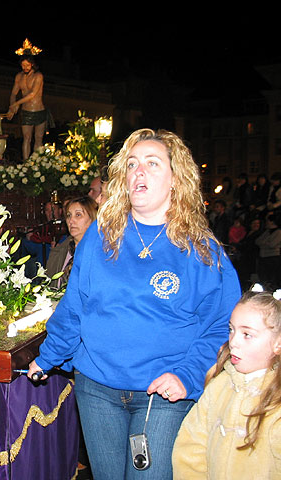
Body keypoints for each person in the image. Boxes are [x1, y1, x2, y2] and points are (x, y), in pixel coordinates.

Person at [27, 128, 241, 479]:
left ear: (176, 180)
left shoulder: (201, 250)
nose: (138, 172)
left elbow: (222, 323)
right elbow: (75, 305)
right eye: (131, 164)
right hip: (96, 388)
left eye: (152, 163)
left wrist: (187, 375)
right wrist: (48, 357)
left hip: (163, 393)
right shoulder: (101, 234)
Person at [172, 286, 281, 478]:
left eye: (247, 334)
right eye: (231, 330)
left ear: (277, 344)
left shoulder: (276, 399)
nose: (233, 342)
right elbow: (191, 447)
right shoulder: (218, 386)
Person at [45, 196, 97, 288]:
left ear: (92, 218)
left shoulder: (100, 251)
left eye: (78, 215)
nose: (71, 221)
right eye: (69, 215)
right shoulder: (59, 250)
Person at [8, 54, 46, 160]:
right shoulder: (19, 77)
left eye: (27, 65)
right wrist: (12, 106)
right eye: (23, 65)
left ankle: (37, 162)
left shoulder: (38, 76)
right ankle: (26, 162)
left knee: (38, 138)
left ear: (32, 64)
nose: (25, 68)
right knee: (26, 138)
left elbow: (32, 94)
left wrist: (17, 104)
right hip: (26, 111)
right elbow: (13, 93)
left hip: (39, 110)